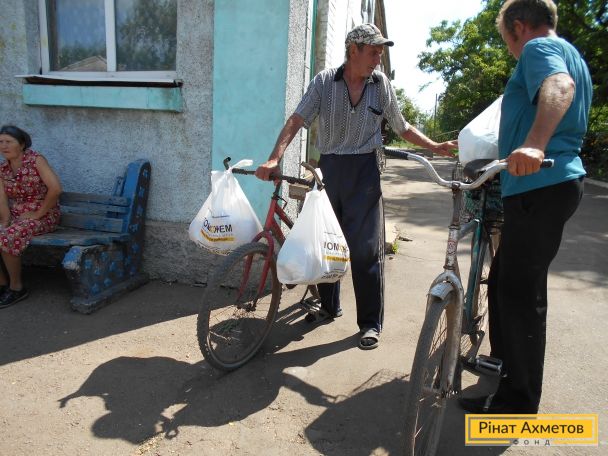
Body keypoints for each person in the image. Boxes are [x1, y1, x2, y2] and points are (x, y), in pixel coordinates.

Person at [255, 23, 457, 350]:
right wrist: (274, 158)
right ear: (354, 51)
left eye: (380, 53)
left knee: (365, 251)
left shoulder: (381, 85)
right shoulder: (324, 82)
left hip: (365, 172)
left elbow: (402, 127)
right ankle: (328, 306)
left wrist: (434, 146)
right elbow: (297, 119)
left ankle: (370, 323)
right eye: (374, 52)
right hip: (330, 169)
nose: (379, 59)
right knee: (325, 243)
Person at [459, 0, 592, 414]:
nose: (512, 50)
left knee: (520, 294)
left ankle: (517, 402)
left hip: (542, 184)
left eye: (507, 40)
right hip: (546, 185)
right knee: (504, 280)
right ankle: (506, 371)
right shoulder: (572, 53)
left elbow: (559, 86)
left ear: (519, 26)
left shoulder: (538, 48)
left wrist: (534, 143)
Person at [0, 125, 62, 309]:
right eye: (0, 142)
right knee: (3, 231)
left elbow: (56, 189)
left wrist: (38, 214)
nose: (3, 146)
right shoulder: (3, 169)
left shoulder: (36, 160)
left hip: (44, 215)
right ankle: (2, 285)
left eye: (8, 141)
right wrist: (4, 222)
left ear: (22, 144)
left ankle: (17, 288)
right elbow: (2, 201)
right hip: (18, 216)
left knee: (8, 236)